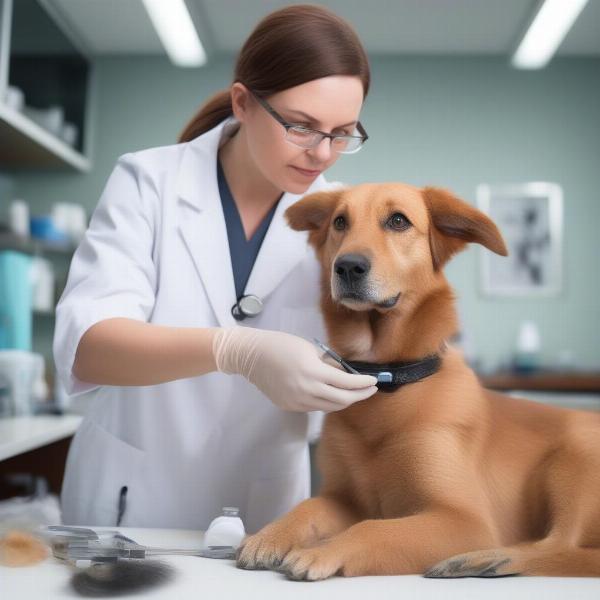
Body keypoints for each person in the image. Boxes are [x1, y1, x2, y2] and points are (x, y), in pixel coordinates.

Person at [53, 4, 378, 534]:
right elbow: (89, 345)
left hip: (262, 505)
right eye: (301, 127)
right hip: (130, 502)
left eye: (343, 133)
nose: (322, 153)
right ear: (243, 103)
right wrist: (236, 350)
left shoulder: (343, 217)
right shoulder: (149, 182)